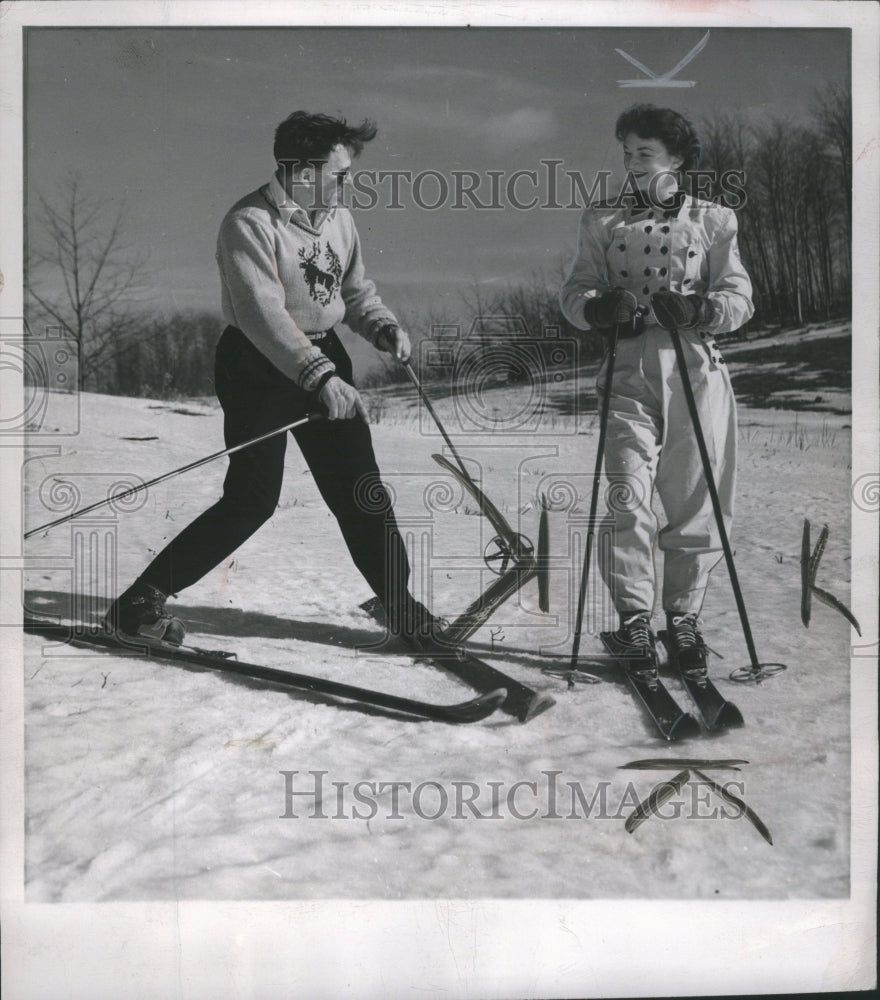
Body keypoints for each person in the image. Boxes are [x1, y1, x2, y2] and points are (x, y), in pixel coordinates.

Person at [106, 111, 435, 647]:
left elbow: (353, 292)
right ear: (302, 171)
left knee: (360, 489)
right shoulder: (249, 224)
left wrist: (381, 325)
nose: (348, 184)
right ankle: (136, 604)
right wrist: (319, 376)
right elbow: (265, 316)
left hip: (322, 358)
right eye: (340, 173)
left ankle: (399, 603)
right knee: (252, 499)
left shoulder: (338, 220)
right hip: (258, 364)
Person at [560, 103, 754, 673]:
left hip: (694, 369)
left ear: (677, 161)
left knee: (696, 499)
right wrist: (600, 311)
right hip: (627, 368)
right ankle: (634, 623)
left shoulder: (714, 220)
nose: (632, 165)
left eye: (644, 155)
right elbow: (575, 293)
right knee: (627, 495)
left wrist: (701, 307)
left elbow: (740, 298)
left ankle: (684, 619)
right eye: (627, 154)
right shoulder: (603, 221)